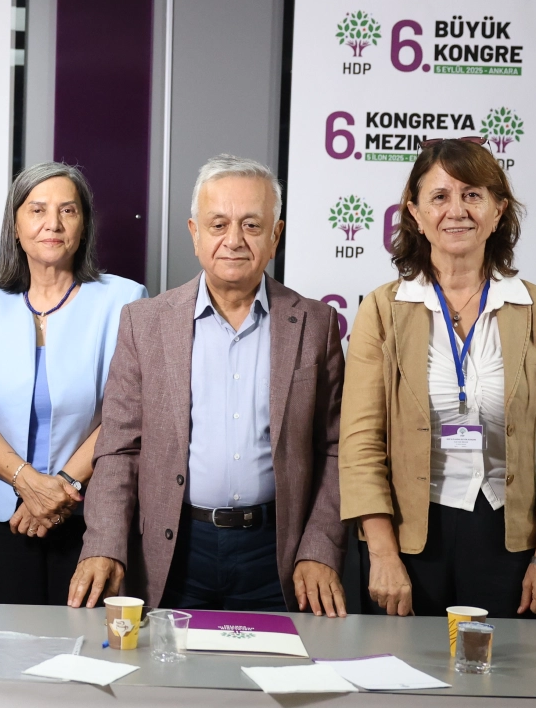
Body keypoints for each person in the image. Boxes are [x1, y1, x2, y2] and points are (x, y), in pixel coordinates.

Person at [69, 154, 346, 614]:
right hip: (173, 551)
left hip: (278, 554)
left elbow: (335, 450)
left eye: (252, 225)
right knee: (166, 664)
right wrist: (104, 543)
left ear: (275, 236)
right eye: (218, 225)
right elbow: (119, 448)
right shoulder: (145, 323)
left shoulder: (315, 325)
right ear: (195, 233)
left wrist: (319, 547)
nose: (233, 240)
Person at [339, 138, 536, 618]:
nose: (457, 210)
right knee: (407, 664)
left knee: (504, 665)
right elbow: (360, 443)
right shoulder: (382, 310)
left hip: (512, 540)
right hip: (409, 540)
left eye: (473, 195)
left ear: (498, 210)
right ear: (415, 214)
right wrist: (382, 554)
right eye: (439, 196)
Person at [0, 163, 146, 606]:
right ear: (15, 226)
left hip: (91, 516)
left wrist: (59, 489)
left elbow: (128, 415)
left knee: (90, 642)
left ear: (84, 226)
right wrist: (26, 482)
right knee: (8, 643)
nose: (53, 223)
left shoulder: (126, 301)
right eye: (37, 209)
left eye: (68, 210)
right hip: (0, 516)